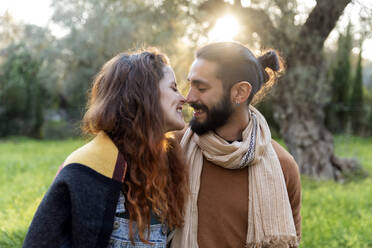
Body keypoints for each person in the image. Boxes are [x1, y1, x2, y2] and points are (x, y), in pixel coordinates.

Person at [23, 49, 189, 248]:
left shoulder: (170, 163)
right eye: (173, 88)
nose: (183, 98)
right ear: (146, 94)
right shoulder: (84, 169)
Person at [171, 42, 301, 248]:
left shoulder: (283, 166)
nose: (189, 98)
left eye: (201, 88)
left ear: (240, 92)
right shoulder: (173, 148)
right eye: (190, 85)